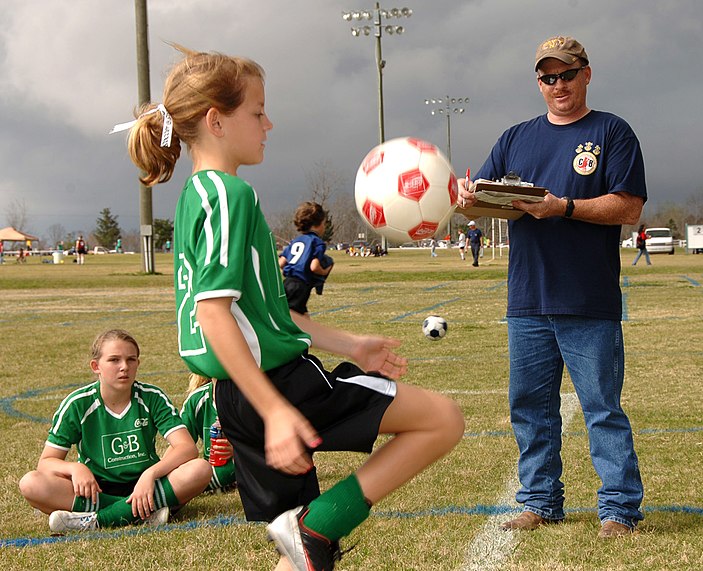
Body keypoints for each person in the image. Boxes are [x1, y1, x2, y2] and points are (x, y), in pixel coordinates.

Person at [121, 45, 463, 571]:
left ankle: (309, 531)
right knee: (442, 420)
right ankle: (318, 524)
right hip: (276, 386)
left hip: (237, 395)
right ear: (216, 120)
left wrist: (352, 345)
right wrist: (277, 410)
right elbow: (213, 316)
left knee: (301, 558)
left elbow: (264, 313)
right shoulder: (228, 196)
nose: (269, 123)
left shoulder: (197, 195)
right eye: (257, 112)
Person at [458, 35, 645, 538]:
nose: (557, 84)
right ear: (537, 82)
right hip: (527, 300)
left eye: (566, 73)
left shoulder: (612, 131)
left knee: (602, 408)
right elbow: (482, 203)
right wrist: (465, 198)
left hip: (588, 298)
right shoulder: (516, 137)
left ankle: (619, 509)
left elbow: (628, 206)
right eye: (547, 76)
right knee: (529, 408)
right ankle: (540, 500)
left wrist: (562, 206)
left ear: (586, 73)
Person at [18, 329, 211, 532]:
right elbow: (46, 463)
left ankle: (97, 520)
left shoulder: (151, 397)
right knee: (31, 483)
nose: (124, 367)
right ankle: (142, 512)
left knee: (200, 469)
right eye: (114, 360)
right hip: (97, 490)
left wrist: (150, 474)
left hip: (147, 486)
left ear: (138, 363)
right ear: (96, 366)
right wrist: (75, 469)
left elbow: (187, 447)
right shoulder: (77, 404)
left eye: (131, 359)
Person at [180, 374, 236, 492]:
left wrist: (238, 449)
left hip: (245, 464)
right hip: (211, 468)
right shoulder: (197, 399)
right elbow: (180, 447)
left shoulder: (252, 396)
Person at [278, 201, 335, 315]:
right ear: (316, 225)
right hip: (301, 286)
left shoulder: (295, 241)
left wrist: (292, 268)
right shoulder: (317, 242)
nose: (324, 227)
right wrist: (324, 271)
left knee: (301, 315)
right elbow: (314, 267)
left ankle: (312, 333)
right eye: (323, 223)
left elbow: (281, 263)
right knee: (295, 319)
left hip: (287, 283)